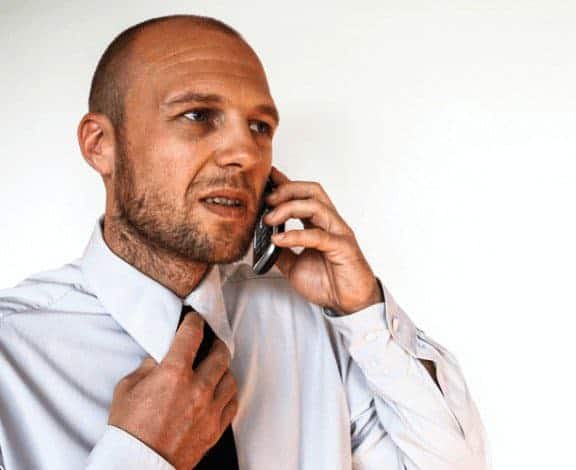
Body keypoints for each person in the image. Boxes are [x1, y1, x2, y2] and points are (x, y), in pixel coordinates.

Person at [0, 14, 489, 470]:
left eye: (260, 127)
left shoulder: (314, 327)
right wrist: (142, 455)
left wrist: (363, 310)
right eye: (198, 115)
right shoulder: (12, 359)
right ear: (99, 145)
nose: (243, 153)